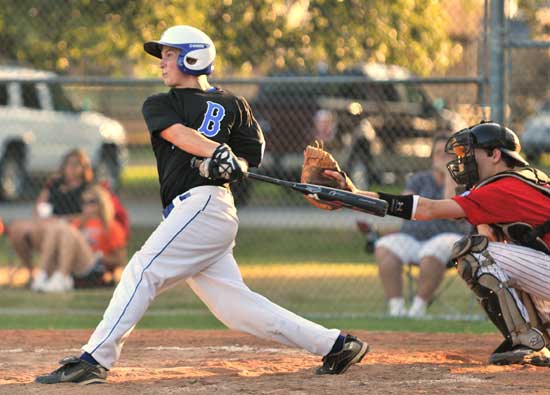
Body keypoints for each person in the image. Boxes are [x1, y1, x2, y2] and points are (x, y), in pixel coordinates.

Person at [35, 25, 368, 385]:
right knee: (236, 309)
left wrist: (226, 160)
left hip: (205, 205)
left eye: (169, 54)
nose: (162, 62)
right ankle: (336, 345)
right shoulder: (161, 103)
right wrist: (216, 152)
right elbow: (178, 134)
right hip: (197, 213)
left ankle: (94, 359)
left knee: (142, 271)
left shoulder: (234, 104)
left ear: (193, 57)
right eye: (162, 55)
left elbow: (251, 155)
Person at [323, 121, 550, 366]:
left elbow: (428, 209)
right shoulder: (522, 179)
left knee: (475, 254)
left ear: (495, 155)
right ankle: (539, 336)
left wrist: (353, 195)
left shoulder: (502, 187)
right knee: (489, 251)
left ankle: (524, 340)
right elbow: (493, 239)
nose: (464, 162)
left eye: (470, 154)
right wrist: (353, 195)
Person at [375, 134, 471, 318]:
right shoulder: (419, 179)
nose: (442, 158)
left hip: (449, 237)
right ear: (431, 157)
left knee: (432, 252)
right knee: (384, 247)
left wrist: (450, 175)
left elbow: (454, 215)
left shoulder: (463, 181)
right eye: (438, 153)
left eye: (447, 155)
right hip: (412, 238)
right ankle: (396, 309)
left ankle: (417, 309)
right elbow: (404, 208)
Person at [7, 149, 93, 274]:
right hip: (46, 223)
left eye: (76, 164)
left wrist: (61, 220)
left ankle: (46, 274)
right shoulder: (55, 184)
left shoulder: (87, 188)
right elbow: (39, 204)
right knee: (17, 229)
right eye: (68, 164)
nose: (71, 168)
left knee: (54, 229)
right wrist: (40, 217)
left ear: (84, 167)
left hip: (68, 229)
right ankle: (31, 273)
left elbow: (87, 216)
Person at [31, 184, 127, 292]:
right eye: (83, 202)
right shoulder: (79, 223)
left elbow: (120, 260)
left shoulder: (110, 226)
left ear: (101, 203)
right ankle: (41, 275)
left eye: (91, 202)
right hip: (75, 265)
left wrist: (100, 256)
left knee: (66, 229)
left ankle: (61, 277)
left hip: (95, 268)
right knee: (56, 227)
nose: (86, 206)